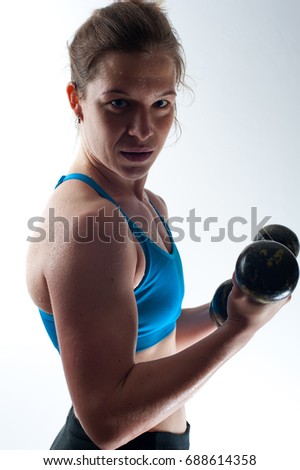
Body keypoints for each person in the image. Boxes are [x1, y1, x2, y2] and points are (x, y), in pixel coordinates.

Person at [26, 0, 290, 450]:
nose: (142, 129)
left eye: (161, 103)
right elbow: (107, 422)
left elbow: (150, 334)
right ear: (77, 100)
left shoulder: (143, 204)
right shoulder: (91, 227)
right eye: (119, 103)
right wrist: (242, 330)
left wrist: (217, 313)